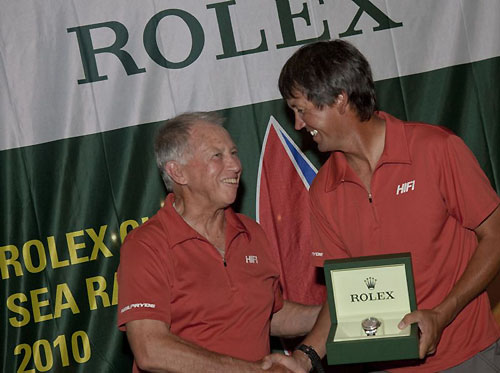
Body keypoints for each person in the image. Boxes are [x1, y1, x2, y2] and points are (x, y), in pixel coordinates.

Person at [263, 40, 500, 372]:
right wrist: (303, 358)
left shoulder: (437, 149)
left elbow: (495, 236)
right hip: (382, 364)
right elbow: (344, 295)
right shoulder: (323, 191)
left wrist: (443, 313)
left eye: (302, 109)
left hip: (468, 356)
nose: (299, 124)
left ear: (339, 98)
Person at [117, 111, 321, 373]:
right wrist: (254, 371)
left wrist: (335, 312)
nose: (235, 165)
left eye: (234, 153)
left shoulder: (251, 233)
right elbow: (150, 350)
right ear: (178, 172)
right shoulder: (146, 244)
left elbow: (267, 314)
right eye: (217, 155)